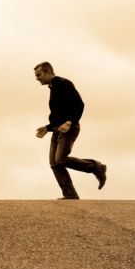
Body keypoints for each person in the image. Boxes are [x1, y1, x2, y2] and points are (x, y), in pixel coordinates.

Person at [34, 62, 107, 199]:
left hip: (69, 128)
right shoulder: (53, 87)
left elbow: (79, 104)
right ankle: (70, 195)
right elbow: (59, 114)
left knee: (60, 159)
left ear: (48, 72)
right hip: (57, 129)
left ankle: (97, 167)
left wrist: (69, 122)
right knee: (54, 163)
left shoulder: (63, 83)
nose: (37, 78)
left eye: (39, 75)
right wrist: (48, 128)